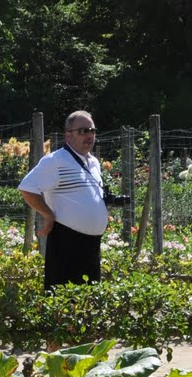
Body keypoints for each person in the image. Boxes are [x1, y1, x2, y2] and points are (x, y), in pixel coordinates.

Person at [18, 113, 127, 288]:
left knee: (89, 300)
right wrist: (48, 214)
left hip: (91, 244)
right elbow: (27, 188)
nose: (89, 136)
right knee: (63, 298)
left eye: (92, 131)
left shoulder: (94, 162)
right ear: (68, 135)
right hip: (66, 241)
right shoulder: (55, 161)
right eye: (83, 131)